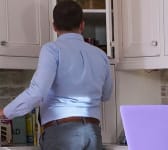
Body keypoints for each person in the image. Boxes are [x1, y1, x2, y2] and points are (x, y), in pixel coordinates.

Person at [0, 1, 113, 149]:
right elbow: (106, 95)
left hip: (62, 133)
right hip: (93, 133)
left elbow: (37, 92)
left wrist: (5, 112)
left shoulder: (52, 50)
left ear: (54, 27)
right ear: (82, 25)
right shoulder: (101, 55)